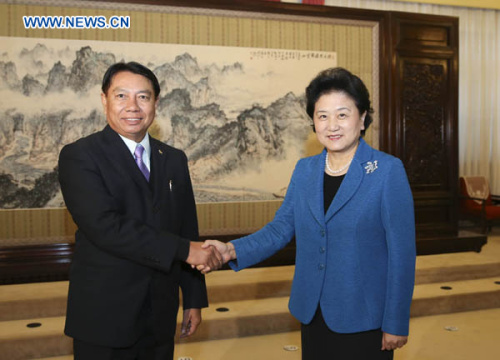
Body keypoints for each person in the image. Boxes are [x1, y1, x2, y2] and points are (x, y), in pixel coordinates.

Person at [201, 67, 416, 359]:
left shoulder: (387, 171)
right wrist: (229, 250)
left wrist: (396, 321)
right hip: (312, 311)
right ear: (313, 121)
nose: (332, 125)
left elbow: (402, 254)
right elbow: (280, 229)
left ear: (363, 117)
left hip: (364, 317)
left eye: (342, 114)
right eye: (322, 115)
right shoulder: (306, 170)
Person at [58, 61, 223, 360]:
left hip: (160, 314)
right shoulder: (80, 156)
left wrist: (194, 300)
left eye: (143, 97)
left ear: (156, 103)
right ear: (104, 99)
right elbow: (106, 227)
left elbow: (187, 227)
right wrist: (185, 249)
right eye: (121, 96)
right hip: (104, 318)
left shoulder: (173, 159)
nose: (132, 106)